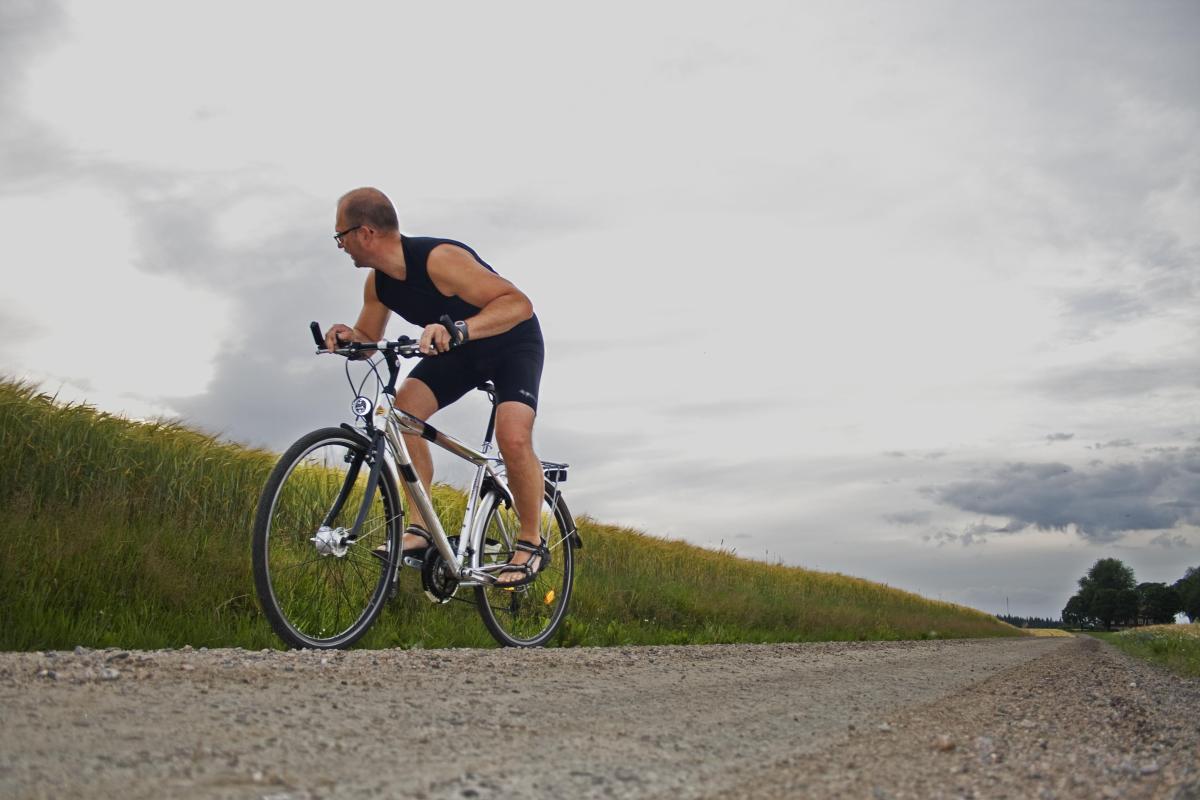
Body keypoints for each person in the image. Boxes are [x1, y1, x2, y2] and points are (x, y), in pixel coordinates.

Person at [324, 187, 548, 586]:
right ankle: (420, 529)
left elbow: (518, 303)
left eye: (341, 235)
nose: (340, 245)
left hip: (511, 342)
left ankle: (531, 542)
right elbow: (368, 338)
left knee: (511, 437)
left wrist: (463, 328)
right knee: (403, 414)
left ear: (366, 232)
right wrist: (348, 339)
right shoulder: (379, 285)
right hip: (460, 349)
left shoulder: (438, 259)